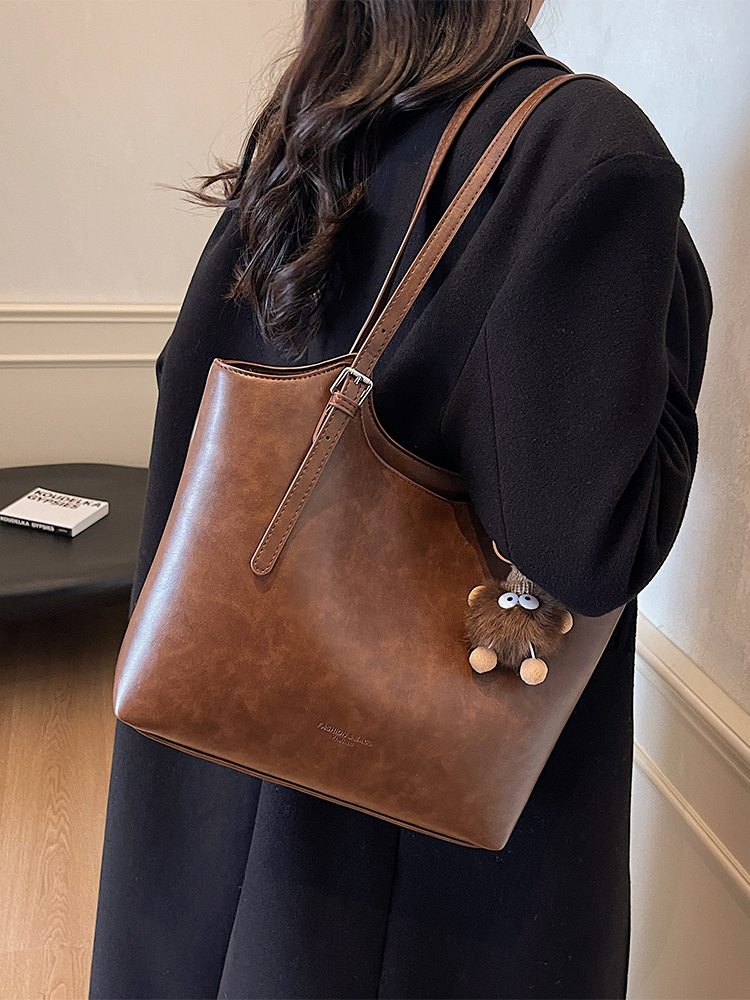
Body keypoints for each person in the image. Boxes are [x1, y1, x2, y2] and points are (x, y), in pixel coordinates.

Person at [89, 2, 712, 998]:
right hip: (405, 880)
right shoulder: (582, 149)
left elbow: (189, 396)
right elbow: (581, 546)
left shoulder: (314, 120)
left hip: (210, 787)